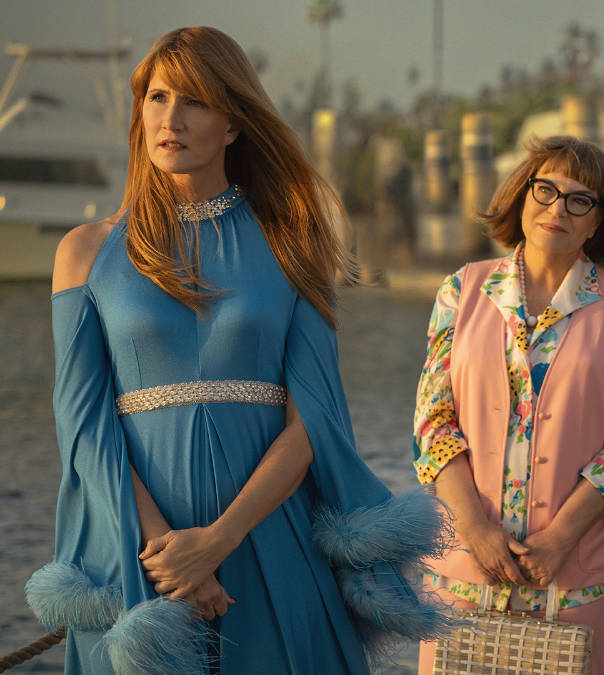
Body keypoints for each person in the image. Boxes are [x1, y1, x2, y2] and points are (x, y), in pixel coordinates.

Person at [24, 26, 448, 674]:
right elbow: (82, 424)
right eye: (159, 97)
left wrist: (219, 539)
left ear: (232, 123)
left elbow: (315, 420)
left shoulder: (294, 239)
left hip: (269, 541)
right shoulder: (85, 251)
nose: (171, 119)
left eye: (194, 100)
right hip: (142, 558)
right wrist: (175, 556)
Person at [412, 135, 604, 675]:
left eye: (580, 200)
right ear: (521, 197)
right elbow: (434, 427)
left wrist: (558, 540)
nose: (558, 209)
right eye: (545, 190)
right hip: (463, 573)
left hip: (580, 581)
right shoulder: (461, 290)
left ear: (599, 221)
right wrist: (475, 531)